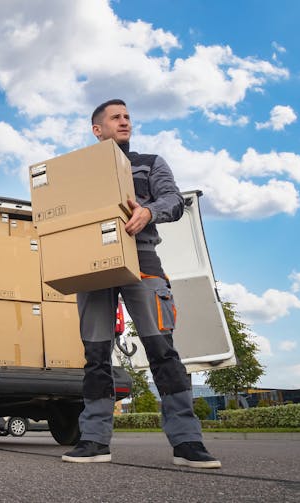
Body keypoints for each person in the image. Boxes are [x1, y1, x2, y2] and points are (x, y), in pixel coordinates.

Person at [62, 99, 221, 469]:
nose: (125, 122)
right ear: (97, 129)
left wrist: (149, 211)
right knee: (96, 355)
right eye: (115, 117)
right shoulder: (77, 172)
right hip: (92, 264)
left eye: (128, 117)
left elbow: (174, 201)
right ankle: (94, 440)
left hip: (142, 257)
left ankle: (187, 442)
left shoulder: (150, 163)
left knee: (162, 349)